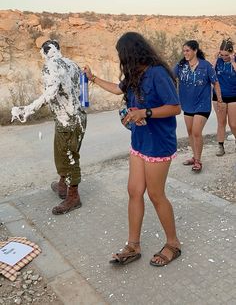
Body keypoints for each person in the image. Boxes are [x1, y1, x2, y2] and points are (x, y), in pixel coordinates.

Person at [84, 31, 182, 267]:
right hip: (139, 142)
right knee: (134, 191)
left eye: (122, 55)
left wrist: (145, 112)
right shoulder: (134, 75)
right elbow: (118, 90)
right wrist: (93, 78)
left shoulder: (157, 73)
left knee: (156, 195)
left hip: (159, 143)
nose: (121, 60)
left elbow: (175, 107)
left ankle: (173, 244)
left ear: (131, 53)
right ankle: (133, 245)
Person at [11, 40, 87, 215]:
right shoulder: (72, 64)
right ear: (58, 49)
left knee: (69, 158)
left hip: (67, 121)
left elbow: (50, 93)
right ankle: (62, 186)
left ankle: (73, 196)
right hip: (78, 118)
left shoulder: (50, 66)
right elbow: (80, 91)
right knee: (63, 154)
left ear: (44, 53)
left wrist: (27, 110)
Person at [173, 40, 223, 173]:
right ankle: (194, 157)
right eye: (184, 51)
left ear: (195, 50)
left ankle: (198, 161)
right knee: (190, 132)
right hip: (187, 104)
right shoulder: (181, 66)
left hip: (202, 105)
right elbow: (169, 77)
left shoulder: (206, 66)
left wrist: (220, 100)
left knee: (196, 131)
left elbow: (216, 83)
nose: (185, 53)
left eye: (188, 50)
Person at [212, 39, 236, 156]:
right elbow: (211, 74)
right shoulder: (218, 60)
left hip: (233, 96)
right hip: (218, 96)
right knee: (221, 122)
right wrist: (216, 59)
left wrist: (232, 62)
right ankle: (220, 146)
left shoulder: (234, 60)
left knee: (233, 124)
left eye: (226, 55)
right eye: (222, 54)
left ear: (231, 53)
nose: (224, 57)